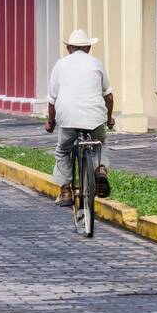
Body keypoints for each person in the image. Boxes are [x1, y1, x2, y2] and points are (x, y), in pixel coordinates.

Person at [44, 29, 115, 207]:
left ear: (68, 48)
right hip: (95, 116)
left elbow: (52, 101)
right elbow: (109, 97)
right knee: (100, 143)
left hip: (67, 117)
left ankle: (66, 189)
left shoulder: (60, 65)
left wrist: (50, 123)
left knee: (63, 150)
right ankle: (100, 169)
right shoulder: (96, 64)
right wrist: (109, 118)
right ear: (88, 48)